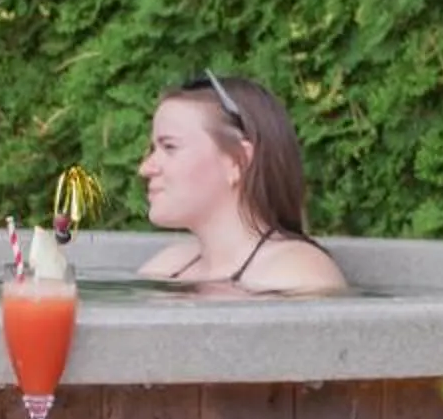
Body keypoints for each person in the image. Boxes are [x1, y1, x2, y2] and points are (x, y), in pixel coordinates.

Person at [135, 71, 349, 293]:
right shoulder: (165, 269)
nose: (145, 168)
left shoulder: (298, 276)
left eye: (169, 147)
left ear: (238, 161)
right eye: (153, 149)